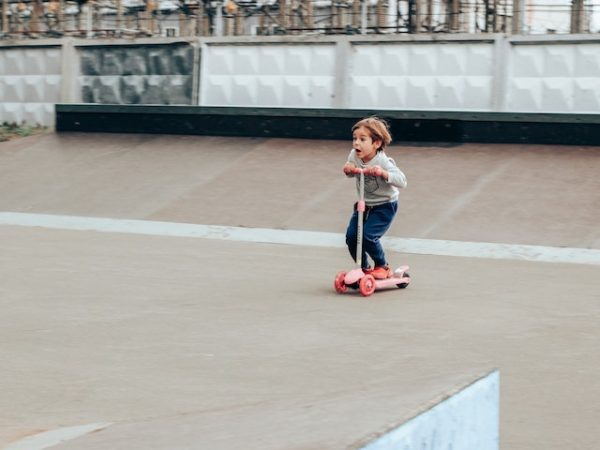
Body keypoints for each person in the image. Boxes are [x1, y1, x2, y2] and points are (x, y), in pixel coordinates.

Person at [342, 116, 407, 279]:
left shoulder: (383, 160)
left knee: (367, 236)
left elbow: (402, 181)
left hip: (384, 206)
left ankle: (382, 266)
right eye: (354, 139)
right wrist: (349, 169)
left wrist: (383, 173)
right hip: (364, 204)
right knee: (351, 237)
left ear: (376, 143)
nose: (356, 143)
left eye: (362, 139)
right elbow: (352, 171)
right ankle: (363, 268)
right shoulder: (354, 155)